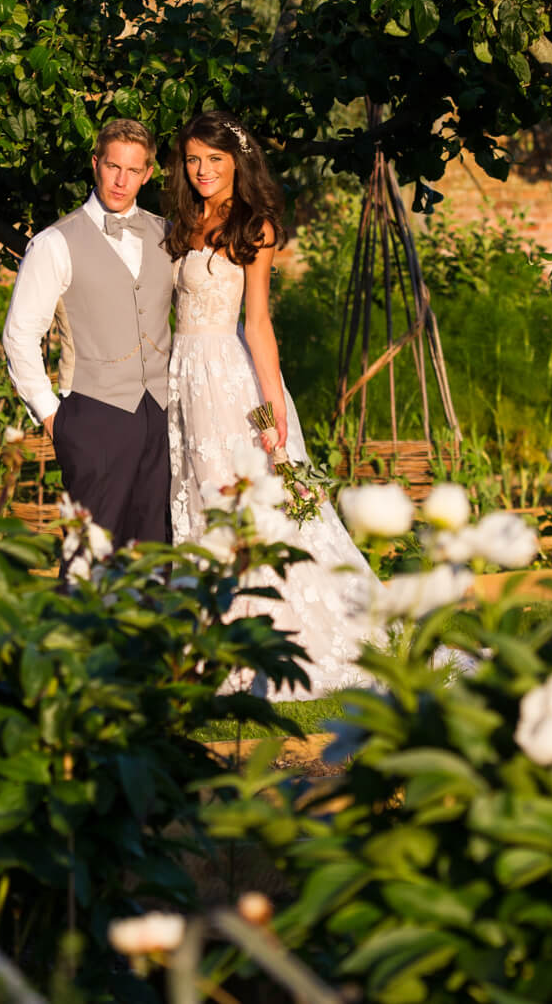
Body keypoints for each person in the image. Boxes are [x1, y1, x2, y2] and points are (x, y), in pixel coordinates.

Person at [164, 110, 379, 699]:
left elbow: (257, 323)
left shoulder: (253, 226)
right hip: (182, 378)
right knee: (199, 499)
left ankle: (258, 633)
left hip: (230, 382)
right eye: (193, 159)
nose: (203, 170)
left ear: (237, 161)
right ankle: (205, 631)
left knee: (253, 496)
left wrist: (272, 408)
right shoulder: (183, 219)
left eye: (215, 159)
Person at [2, 118, 173, 546]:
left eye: (133, 170)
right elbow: (19, 336)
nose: (121, 180)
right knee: (91, 555)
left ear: (148, 174)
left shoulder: (168, 235)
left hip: (164, 413)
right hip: (93, 412)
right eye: (113, 166)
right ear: (95, 164)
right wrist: (52, 418)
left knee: (160, 555)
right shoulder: (54, 243)